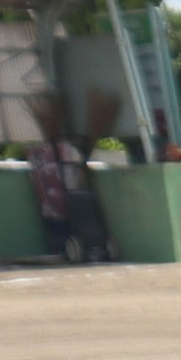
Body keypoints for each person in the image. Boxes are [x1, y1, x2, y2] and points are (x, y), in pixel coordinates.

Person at [27, 101, 115, 263]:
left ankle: (81, 248)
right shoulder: (55, 151)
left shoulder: (59, 150)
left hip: (65, 199)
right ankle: (65, 250)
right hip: (60, 201)